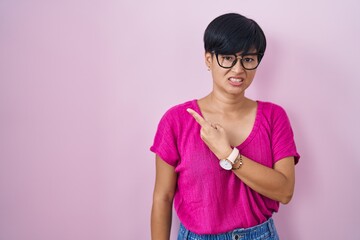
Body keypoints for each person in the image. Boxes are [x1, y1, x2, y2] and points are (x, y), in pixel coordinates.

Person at [150, 13, 300, 240]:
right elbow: (163, 197)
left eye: (248, 59)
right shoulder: (176, 121)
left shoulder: (274, 116)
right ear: (208, 59)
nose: (238, 69)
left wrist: (227, 153)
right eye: (228, 58)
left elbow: (285, 191)